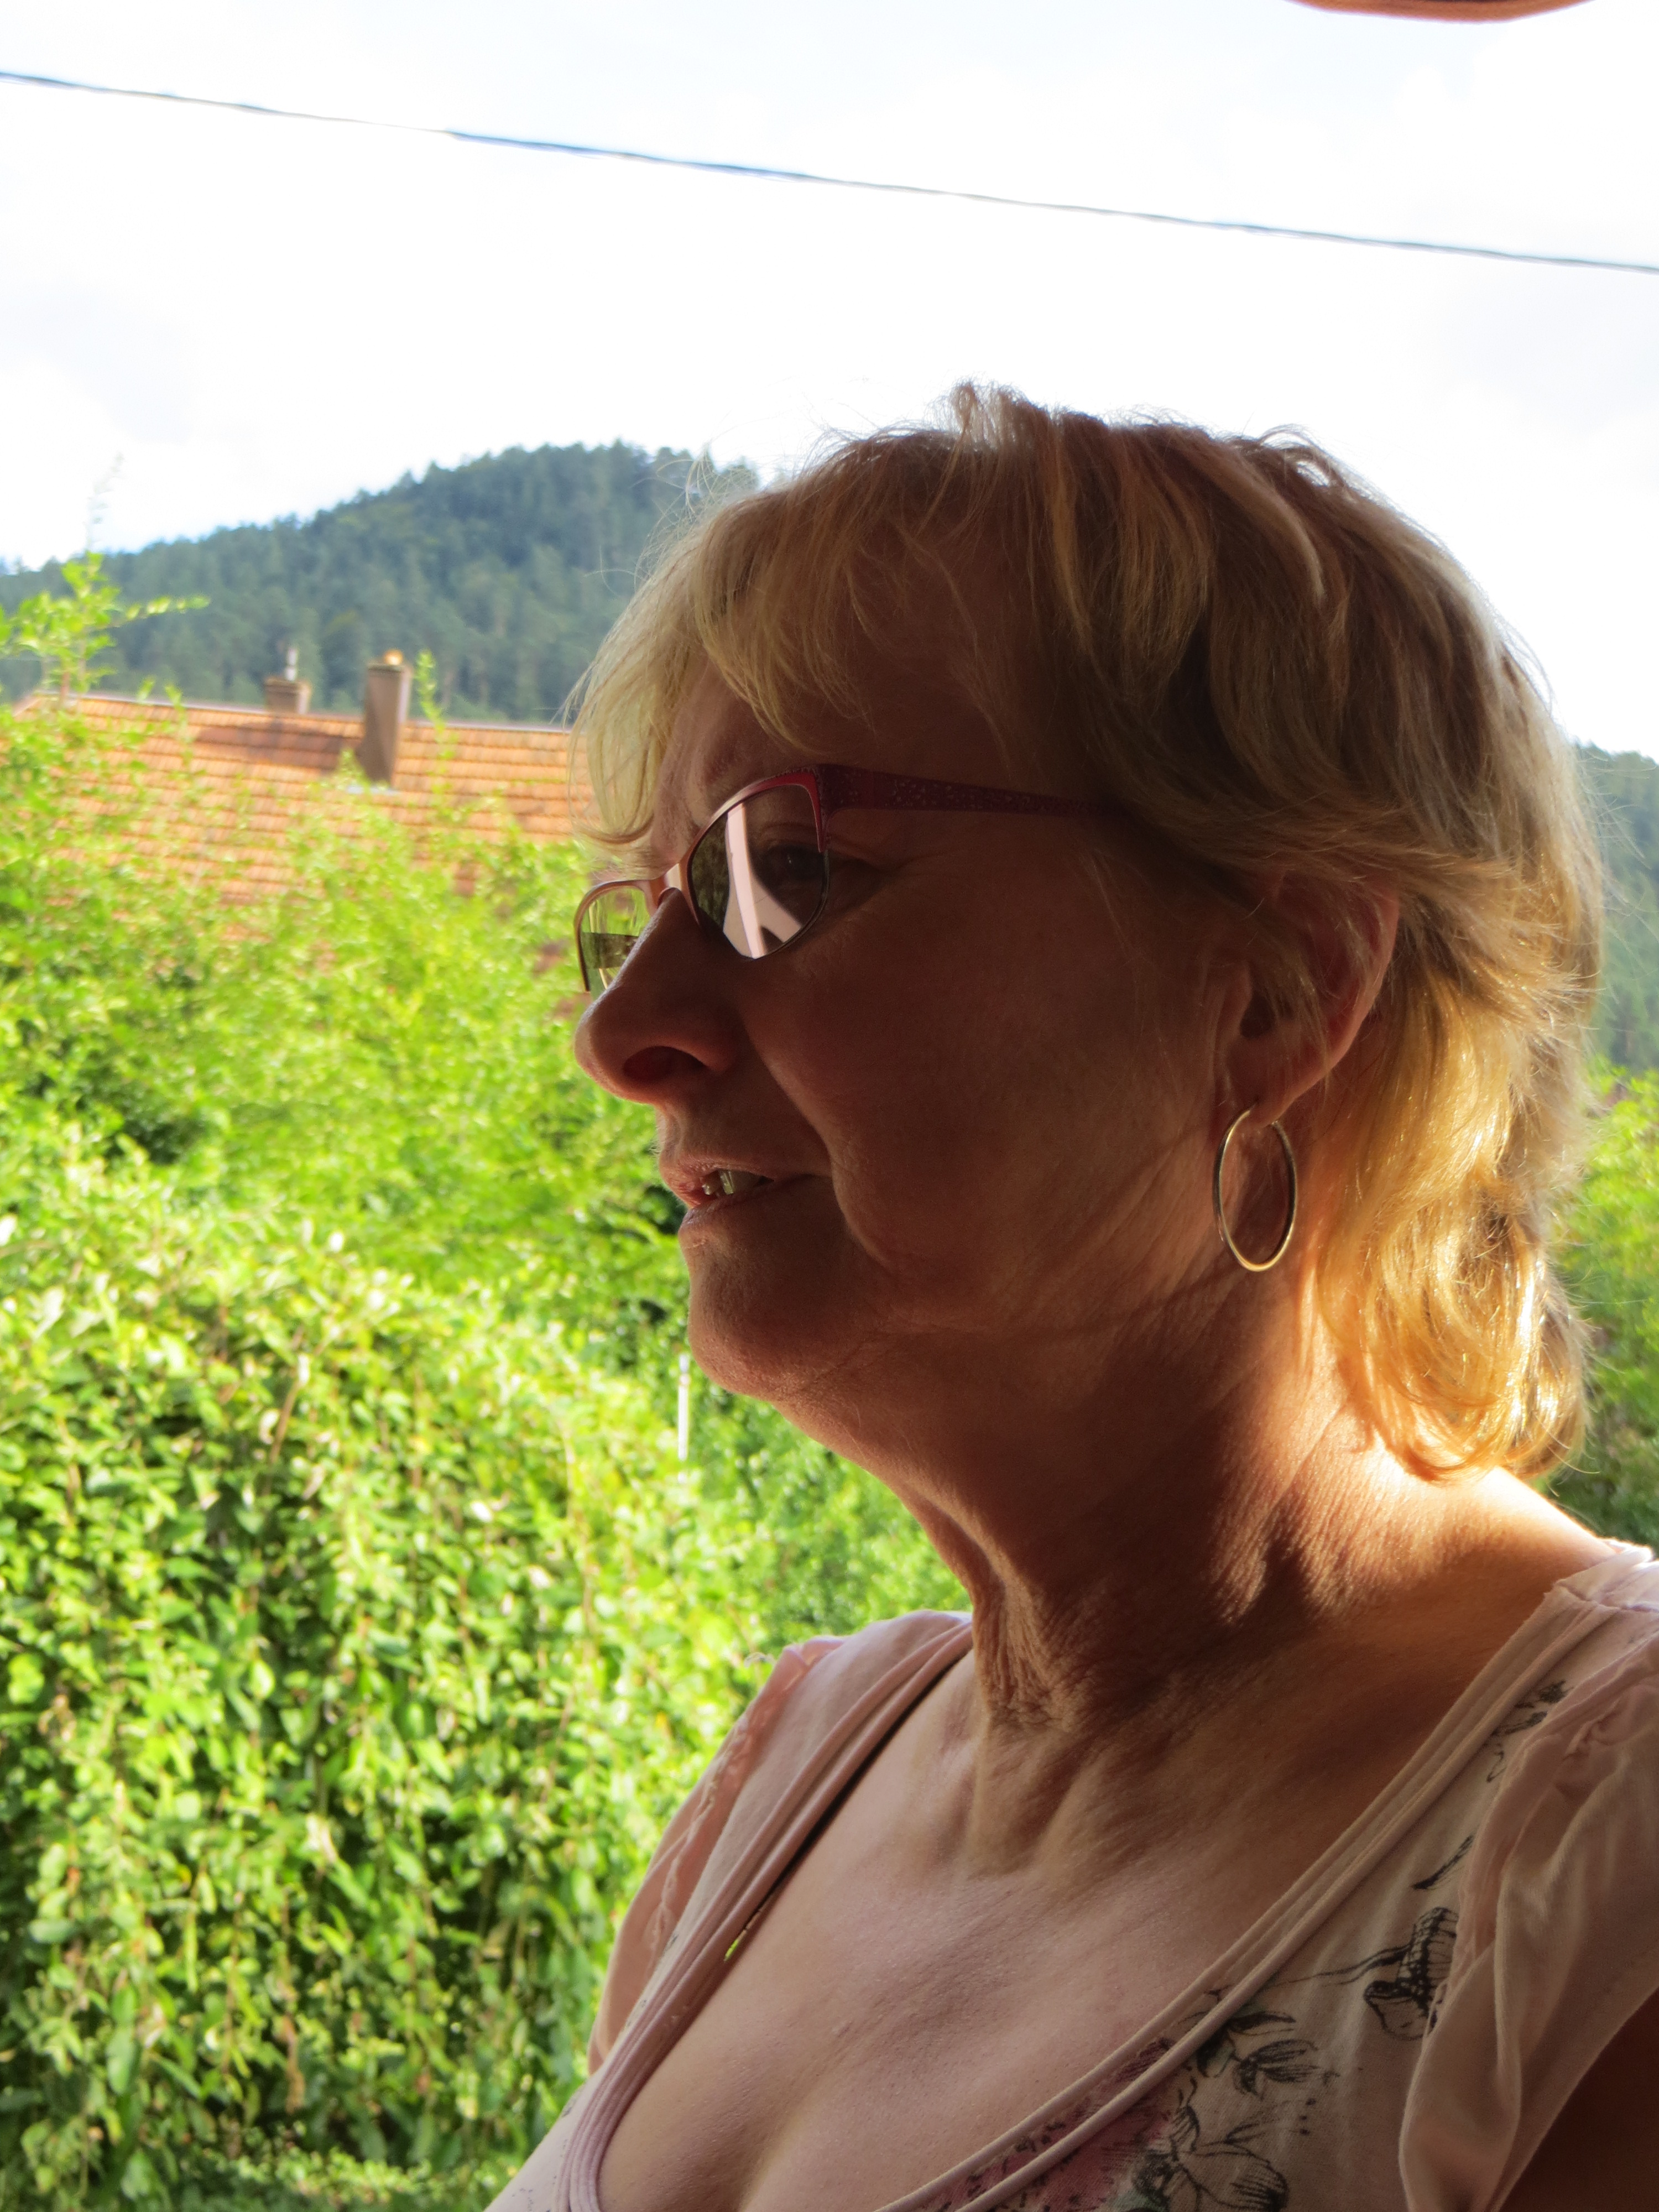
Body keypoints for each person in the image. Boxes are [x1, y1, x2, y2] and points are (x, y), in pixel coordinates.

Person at [492, 388, 1659, 2212]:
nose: (623, 1028)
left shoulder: (1595, 1861)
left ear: (1280, 988)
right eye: (638, 909)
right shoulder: (797, 1776)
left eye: (784, 873)